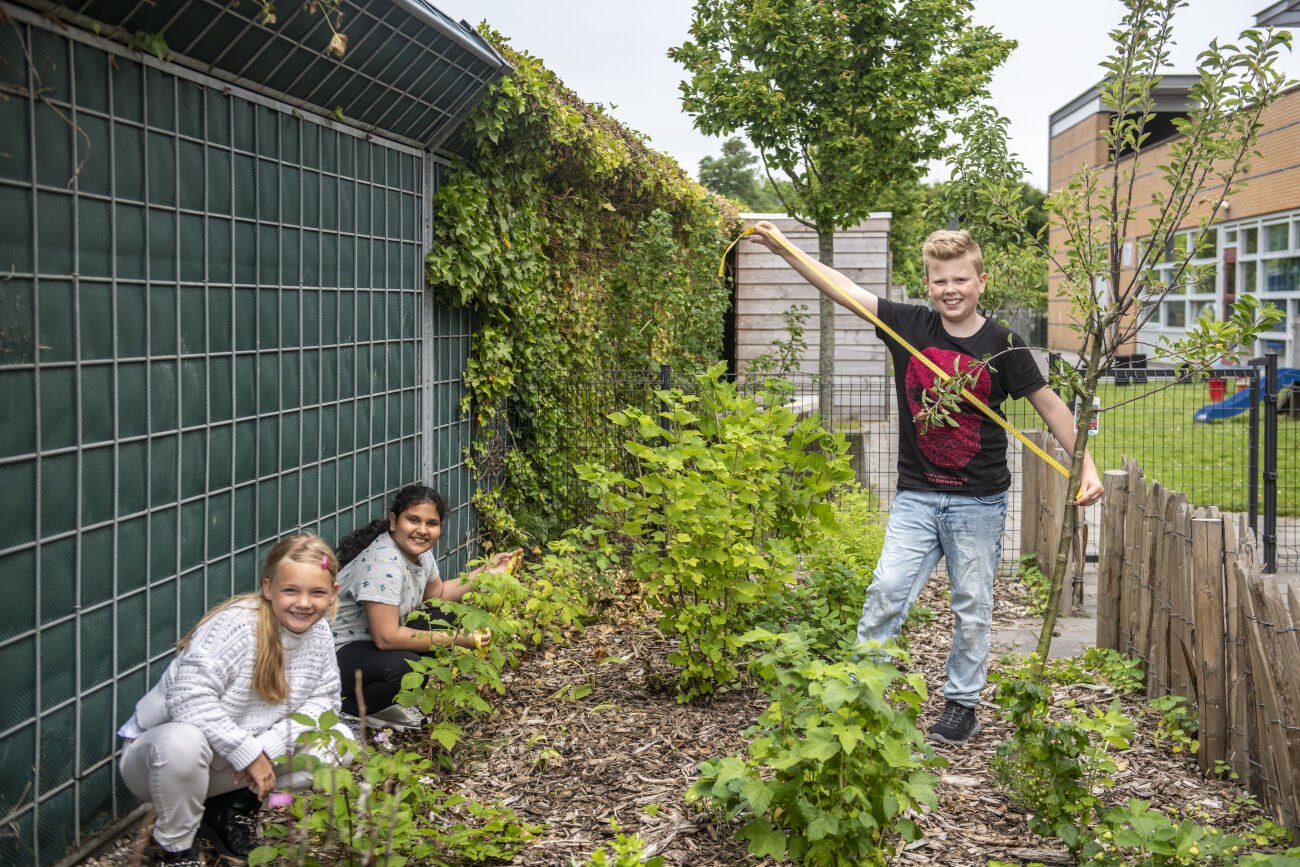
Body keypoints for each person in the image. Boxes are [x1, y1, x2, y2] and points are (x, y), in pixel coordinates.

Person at [747, 223, 1104, 745]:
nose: (950, 289)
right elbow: (841, 287)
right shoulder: (907, 325)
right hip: (916, 495)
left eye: (961, 278)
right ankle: (859, 691)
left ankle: (961, 705)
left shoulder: (1003, 344)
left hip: (978, 500)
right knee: (887, 590)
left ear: (981, 281)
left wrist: (1087, 464)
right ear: (928, 284)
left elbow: (1051, 406)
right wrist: (784, 247)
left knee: (973, 604)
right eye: (940, 281)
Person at [117, 534, 352, 866]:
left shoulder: (320, 633)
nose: (304, 603)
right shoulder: (237, 625)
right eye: (291, 590)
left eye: (317, 592)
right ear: (268, 588)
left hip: (234, 762)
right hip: (162, 761)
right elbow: (188, 699)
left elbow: (324, 703)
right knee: (183, 740)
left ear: (333, 594)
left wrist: (267, 748)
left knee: (338, 743)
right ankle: (175, 847)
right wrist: (246, 752)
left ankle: (230, 809)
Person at [332, 484, 518, 730]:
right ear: (393, 521)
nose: (422, 530)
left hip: (366, 646)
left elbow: (438, 595)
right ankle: (351, 713)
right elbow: (386, 639)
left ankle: (382, 705)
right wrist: (457, 640)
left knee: (444, 615)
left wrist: (487, 573)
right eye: (413, 520)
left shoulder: (418, 552)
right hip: (334, 657)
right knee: (404, 666)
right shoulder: (384, 565)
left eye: (432, 523)